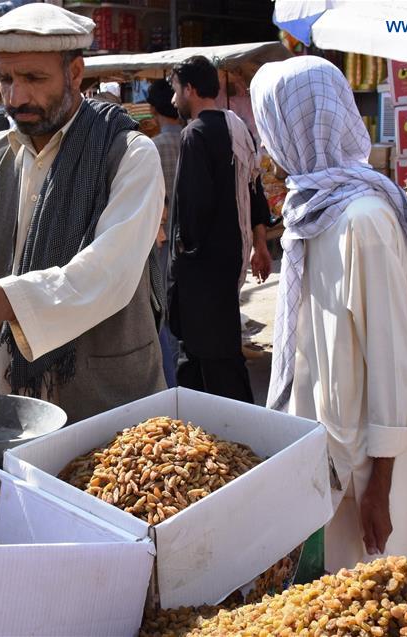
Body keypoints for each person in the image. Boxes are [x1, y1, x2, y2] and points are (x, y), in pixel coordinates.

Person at [0, 3, 166, 423]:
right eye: (5, 79)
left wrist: (3, 301)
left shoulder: (128, 154)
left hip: (104, 390)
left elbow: (109, 273)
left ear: (75, 73)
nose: (16, 96)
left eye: (34, 78)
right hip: (10, 389)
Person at [251, 56, 407, 570]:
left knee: (379, 601)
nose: (267, 146)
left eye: (271, 129)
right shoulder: (311, 211)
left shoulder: (364, 221)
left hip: (368, 472)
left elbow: (395, 365)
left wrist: (379, 484)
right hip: (323, 453)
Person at [167, 55, 271, 404]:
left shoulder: (194, 134)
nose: (173, 100)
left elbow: (192, 210)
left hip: (203, 271)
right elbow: (255, 190)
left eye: (176, 91)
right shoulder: (238, 128)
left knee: (214, 358)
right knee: (203, 359)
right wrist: (260, 243)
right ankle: (201, 428)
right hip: (229, 264)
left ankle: (236, 429)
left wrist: (181, 258)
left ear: (191, 89)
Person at [147, 79, 182, 388]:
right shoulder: (190, 137)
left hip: (162, 240)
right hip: (187, 239)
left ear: (152, 110)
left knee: (164, 312)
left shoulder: (154, 147)